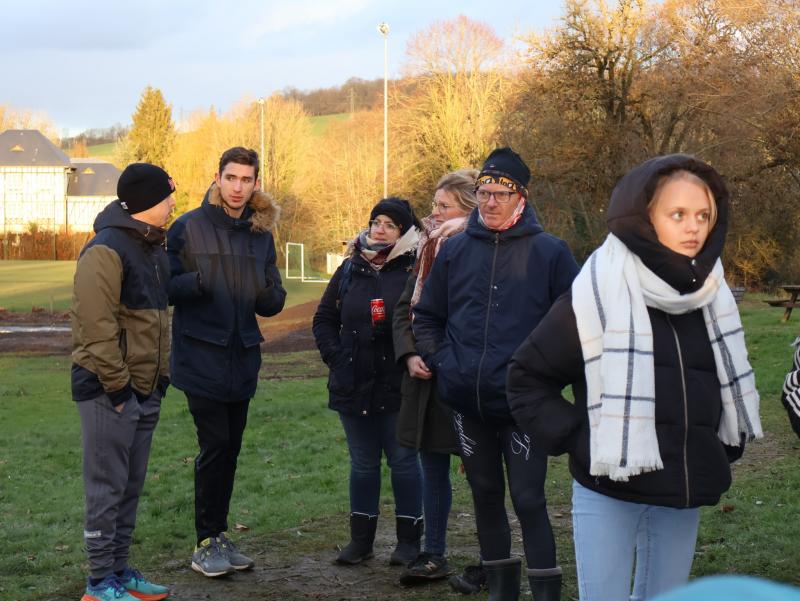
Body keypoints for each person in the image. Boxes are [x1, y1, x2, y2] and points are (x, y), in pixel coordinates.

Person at [507, 154, 763, 601]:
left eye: (703, 215)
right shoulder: (598, 290)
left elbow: (720, 382)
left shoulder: (712, 294)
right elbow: (526, 378)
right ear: (643, 216)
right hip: (609, 487)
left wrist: (719, 443)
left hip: (681, 489)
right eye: (677, 214)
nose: (693, 227)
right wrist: (580, 438)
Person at [412, 148, 579, 601]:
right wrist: (444, 362)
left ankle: (545, 592)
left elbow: (579, 324)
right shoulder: (455, 249)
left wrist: (547, 376)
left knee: (528, 499)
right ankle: (500, 591)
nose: (490, 202)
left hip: (525, 405)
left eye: (500, 194)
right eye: (483, 193)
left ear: (520, 196)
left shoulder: (550, 252)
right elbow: (427, 316)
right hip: (467, 402)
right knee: (485, 493)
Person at [167, 147, 286, 578]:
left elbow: (273, 297)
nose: (238, 187)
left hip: (243, 358)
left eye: (246, 180)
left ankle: (219, 536)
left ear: (256, 183)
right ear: (217, 178)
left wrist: (268, 295)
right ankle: (205, 542)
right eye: (231, 178)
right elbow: (165, 286)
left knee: (230, 449)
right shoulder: (187, 228)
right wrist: (199, 281)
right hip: (200, 356)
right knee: (215, 446)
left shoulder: (261, 235)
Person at [71, 163, 175, 601]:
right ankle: (99, 583)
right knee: (106, 488)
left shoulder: (152, 247)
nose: (172, 203)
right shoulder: (105, 248)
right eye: (167, 196)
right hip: (108, 391)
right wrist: (118, 391)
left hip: (144, 390)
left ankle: (118, 570)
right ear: (148, 201)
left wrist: (159, 381)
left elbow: (156, 321)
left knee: (129, 487)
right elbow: (96, 329)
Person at [312, 197, 424, 567]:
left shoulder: (416, 267)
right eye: (377, 222)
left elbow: (425, 320)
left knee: (403, 462)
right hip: (353, 383)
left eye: (390, 225)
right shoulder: (350, 268)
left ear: (404, 232)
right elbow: (324, 319)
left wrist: (408, 357)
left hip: (398, 383)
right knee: (362, 463)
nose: (380, 229)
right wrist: (338, 359)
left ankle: (409, 542)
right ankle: (361, 542)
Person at [392, 170, 479, 585]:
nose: (434, 212)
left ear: (467, 209)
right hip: (426, 382)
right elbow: (404, 310)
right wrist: (410, 354)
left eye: (443, 206)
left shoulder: (481, 248)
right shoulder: (428, 248)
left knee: (481, 472)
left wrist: (446, 357)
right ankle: (433, 553)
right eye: (434, 204)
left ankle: (492, 558)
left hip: (466, 378)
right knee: (432, 468)